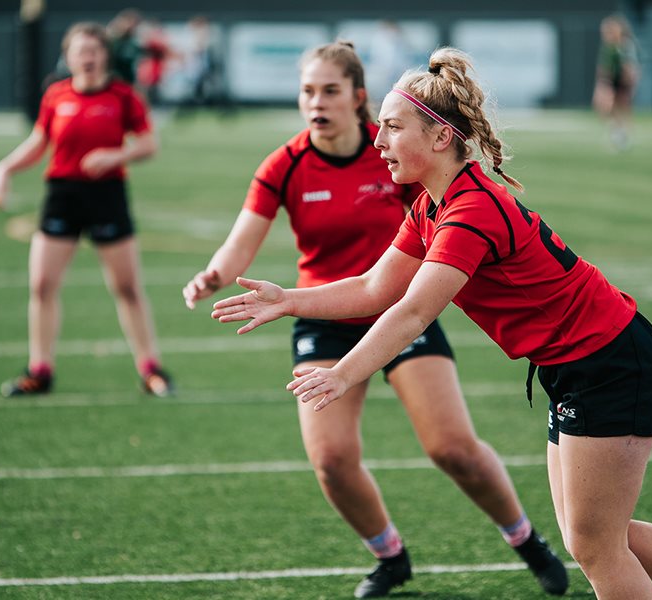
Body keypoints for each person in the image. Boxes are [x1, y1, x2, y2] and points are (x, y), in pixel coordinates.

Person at [211, 47, 652, 600]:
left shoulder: (468, 211)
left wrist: (342, 373)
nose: (378, 140)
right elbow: (374, 288)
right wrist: (289, 298)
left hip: (609, 362)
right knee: (600, 537)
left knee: (595, 546)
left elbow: (410, 312)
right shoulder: (431, 204)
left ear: (439, 137)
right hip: (580, 365)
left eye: (392, 127)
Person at [183, 41, 568, 599]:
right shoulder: (285, 164)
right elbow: (242, 241)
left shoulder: (394, 147)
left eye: (330, 91)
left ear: (358, 97)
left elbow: (445, 212)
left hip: (399, 308)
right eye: (307, 91)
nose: (316, 102)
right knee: (332, 461)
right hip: (322, 309)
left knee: (452, 448)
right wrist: (213, 275)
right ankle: (389, 556)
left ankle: (526, 539)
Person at [0, 22, 173, 398]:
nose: (88, 58)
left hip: (107, 194)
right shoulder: (56, 95)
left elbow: (149, 144)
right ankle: (39, 370)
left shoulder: (123, 95)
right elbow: (40, 141)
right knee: (42, 286)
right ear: (68, 57)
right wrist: (4, 168)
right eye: (80, 52)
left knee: (127, 288)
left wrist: (115, 154)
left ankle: (151, 370)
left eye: (94, 51)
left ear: (104, 55)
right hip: (63, 195)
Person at [592, 15, 639, 151]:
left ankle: (622, 133)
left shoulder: (624, 45)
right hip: (609, 80)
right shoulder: (608, 47)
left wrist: (629, 80)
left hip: (621, 81)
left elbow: (629, 66)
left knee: (621, 106)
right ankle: (618, 130)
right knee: (605, 106)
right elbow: (603, 66)